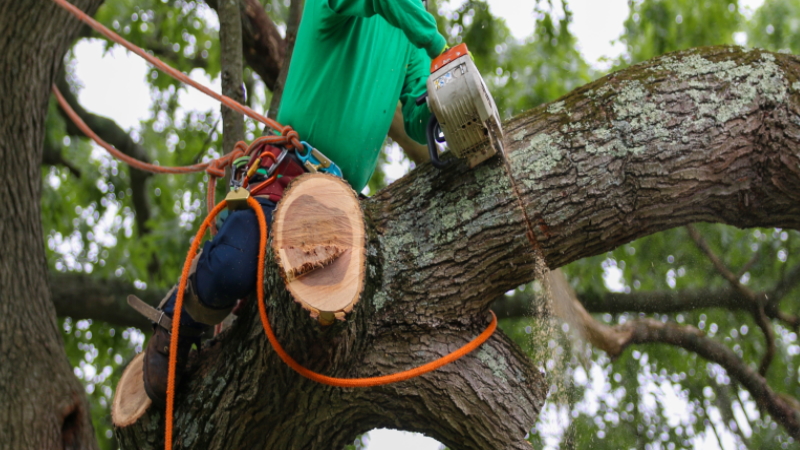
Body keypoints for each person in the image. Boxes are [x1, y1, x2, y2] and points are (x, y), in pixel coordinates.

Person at [133, 0, 447, 407]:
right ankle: (177, 323)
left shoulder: (412, 36)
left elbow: (420, 118)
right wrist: (439, 43)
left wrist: (445, 98)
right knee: (231, 268)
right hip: (287, 174)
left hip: (342, 203)